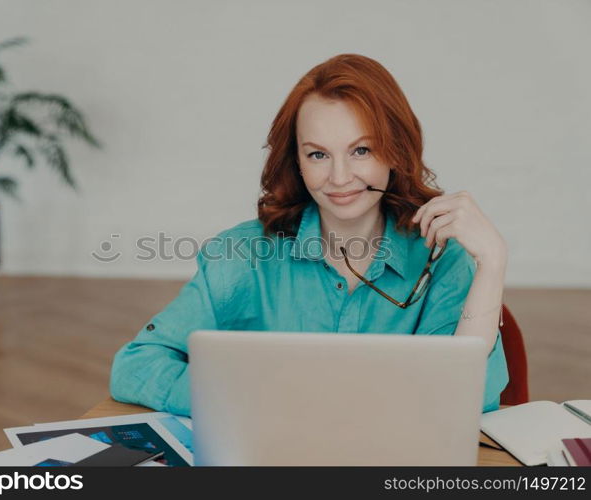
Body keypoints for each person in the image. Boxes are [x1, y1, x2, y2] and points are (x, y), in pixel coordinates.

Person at [109, 53, 509, 416]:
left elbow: (468, 398)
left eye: (361, 151)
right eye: (318, 154)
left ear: (395, 151)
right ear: (296, 161)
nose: (338, 177)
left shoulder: (441, 257)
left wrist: (492, 263)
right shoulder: (242, 255)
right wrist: (247, 402)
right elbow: (137, 365)